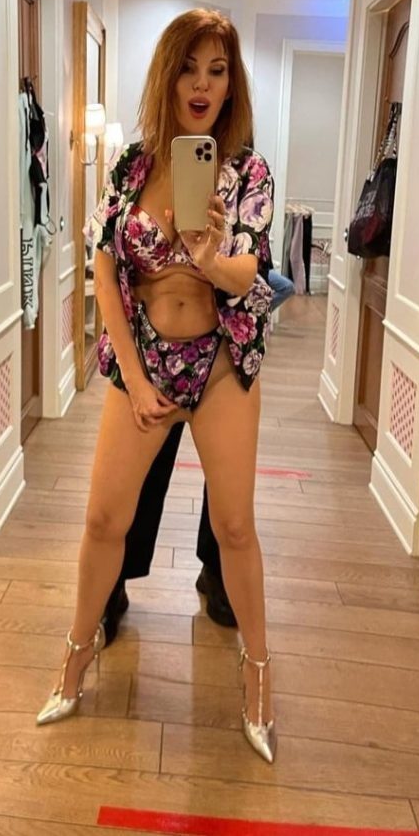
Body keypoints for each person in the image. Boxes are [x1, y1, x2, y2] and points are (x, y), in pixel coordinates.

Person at [36, 9, 277, 763]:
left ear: (231, 84)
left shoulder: (248, 172)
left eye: (217, 70)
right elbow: (107, 265)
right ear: (168, 77)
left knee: (234, 528)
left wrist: (207, 256)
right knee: (102, 519)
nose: (202, 84)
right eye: (189, 68)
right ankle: (74, 660)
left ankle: (259, 681)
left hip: (222, 363)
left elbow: (248, 273)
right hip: (144, 358)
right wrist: (134, 381)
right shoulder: (133, 167)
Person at [101, 268, 294, 641]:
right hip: (149, 342)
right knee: (141, 466)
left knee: (226, 475)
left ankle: (218, 570)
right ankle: (113, 576)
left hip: (223, 345)